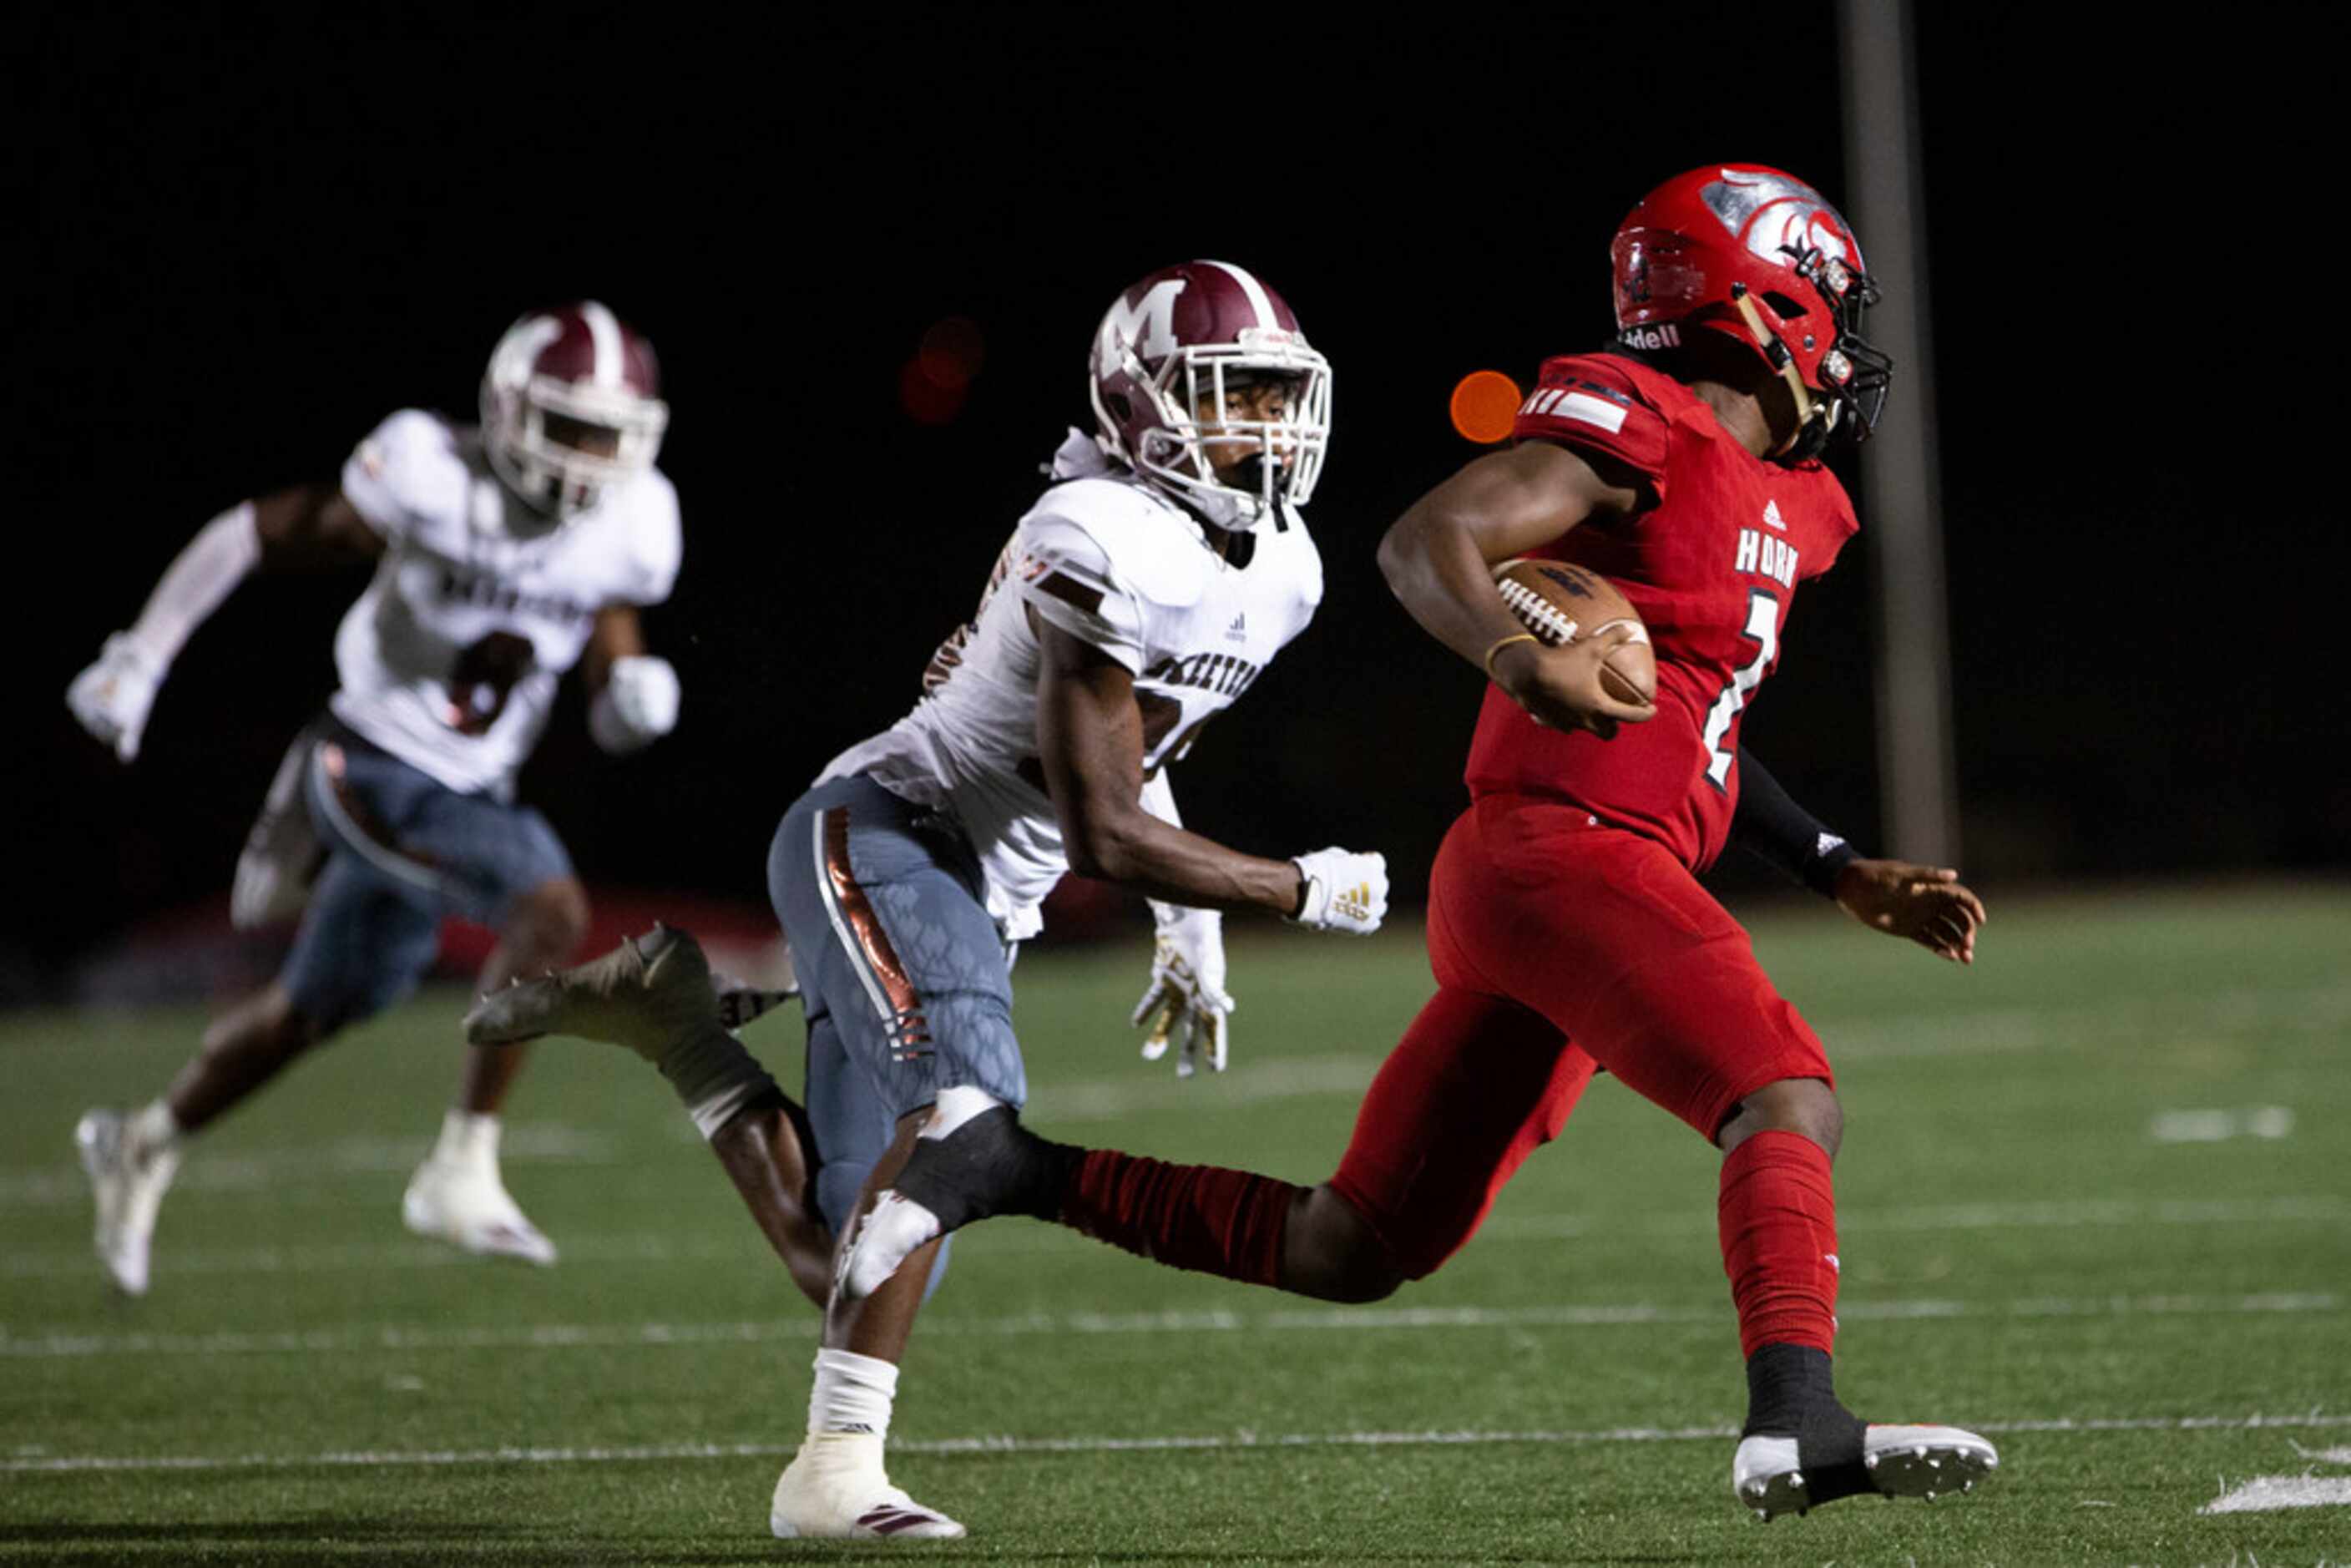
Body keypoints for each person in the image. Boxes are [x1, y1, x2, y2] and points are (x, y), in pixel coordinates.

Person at [832, 165, 2002, 1520]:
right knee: (1785, 1092)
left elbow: (1702, 736)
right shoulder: (1646, 425)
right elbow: (1427, 539)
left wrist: (1835, 864)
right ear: (1765, 299)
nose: (1846, 346)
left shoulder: (1783, 503)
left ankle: (1010, 1166)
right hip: (1558, 855)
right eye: (1831, 307)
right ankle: (1792, 1421)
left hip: (1566, 877)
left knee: (1360, 1240)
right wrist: (1518, 652)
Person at [468, 260, 1389, 1541]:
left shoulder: (1284, 567)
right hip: (888, 833)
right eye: (1228, 399)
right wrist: (1297, 887)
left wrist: (1196, 929)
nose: (1263, 432)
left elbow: (1142, 755)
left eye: (1276, 399)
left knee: (867, 1242)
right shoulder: (1099, 532)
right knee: (965, 1119)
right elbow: (1102, 830)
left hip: (975, 889)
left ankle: (682, 1030)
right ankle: (831, 1474)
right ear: (1138, 403)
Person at [66, 301, 684, 1293]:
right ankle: (461, 1164)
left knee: (315, 1009)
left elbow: (599, 604)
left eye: (607, 436)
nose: (584, 460)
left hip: (469, 786)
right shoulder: (433, 477)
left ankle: (142, 1139)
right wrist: (140, 655)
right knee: (550, 905)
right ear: (508, 407)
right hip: (370, 761)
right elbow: (256, 532)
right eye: (566, 427)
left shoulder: (636, 523)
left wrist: (621, 688)